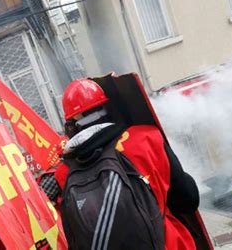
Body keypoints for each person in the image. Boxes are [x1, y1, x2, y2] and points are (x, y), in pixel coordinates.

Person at [39, 79, 202, 249]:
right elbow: (188, 200)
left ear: (71, 125)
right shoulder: (146, 139)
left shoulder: (64, 172)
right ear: (107, 108)